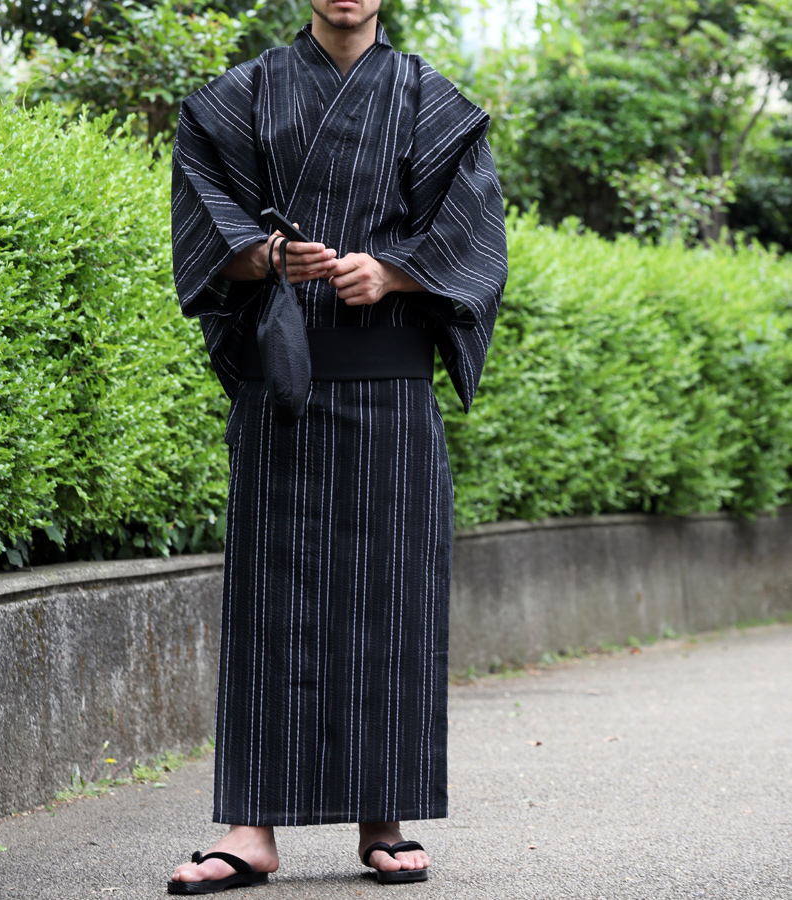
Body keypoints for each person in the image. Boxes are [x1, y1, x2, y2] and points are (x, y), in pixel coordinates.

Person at [168, 0, 507, 892]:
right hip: (281, 383)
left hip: (392, 388)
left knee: (389, 597)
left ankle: (384, 820)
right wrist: (269, 255)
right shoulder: (238, 99)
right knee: (269, 595)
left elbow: (476, 244)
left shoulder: (433, 103)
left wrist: (392, 271)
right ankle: (251, 828)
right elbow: (208, 231)